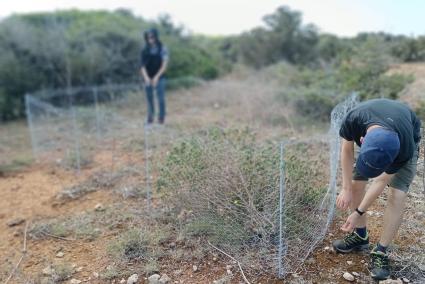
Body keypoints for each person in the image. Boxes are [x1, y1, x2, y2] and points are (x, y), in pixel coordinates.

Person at [332, 98, 421, 280]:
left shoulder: (403, 149)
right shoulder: (353, 120)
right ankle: (360, 236)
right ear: (362, 140)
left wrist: (358, 211)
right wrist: (346, 188)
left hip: (406, 137)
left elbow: (380, 181)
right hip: (380, 132)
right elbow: (347, 151)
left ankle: (381, 251)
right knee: (356, 183)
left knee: (397, 194)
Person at [140, 28, 169, 124]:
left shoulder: (162, 48)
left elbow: (164, 65)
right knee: (149, 98)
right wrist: (146, 78)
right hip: (147, 77)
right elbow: (142, 66)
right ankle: (150, 118)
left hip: (160, 76)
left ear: (156, 37)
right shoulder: (144, 50)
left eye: (152, 37)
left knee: (160, 98)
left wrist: (156, 77)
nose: (150, 39)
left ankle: (161, 118)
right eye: (148, 37)